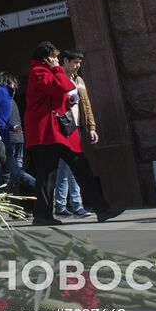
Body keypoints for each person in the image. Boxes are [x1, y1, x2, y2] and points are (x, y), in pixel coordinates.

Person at [25, 42, 122, 225]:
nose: (56, 60)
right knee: (54, 174)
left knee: (67, 170)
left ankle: (99, 209)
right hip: (49, 131)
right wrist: (58, 70)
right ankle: (45, 215)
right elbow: (62, 86)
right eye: (53, 56)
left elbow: (58, 93)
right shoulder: (39, 72)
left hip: (56, 131)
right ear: (46, 57)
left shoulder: (43, 72)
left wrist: (66, 102)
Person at [54, 51, 97, 218]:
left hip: (77, 127)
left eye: (79, 62)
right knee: (67, 167)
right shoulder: (58, 78)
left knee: (68, 168)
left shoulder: (79, 80)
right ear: (65, 61)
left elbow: (86, 105)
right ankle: (72, 205)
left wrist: (91, 127)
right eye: (75, 62)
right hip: (64, 127)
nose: (78, 65)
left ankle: (64, 205)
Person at [0, 72, 36, 199]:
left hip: (8, 141)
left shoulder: (2, 97)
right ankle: (12, 205)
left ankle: (42, 188)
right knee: (10, 174)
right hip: (18, 139)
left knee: (15, 173)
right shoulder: (11, 99)